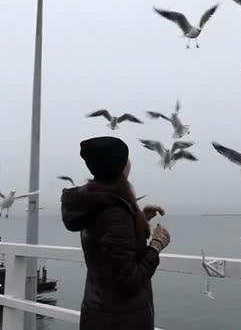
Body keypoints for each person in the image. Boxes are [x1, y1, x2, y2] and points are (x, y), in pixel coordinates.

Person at [61, 136, 171, 330]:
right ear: (118, 165)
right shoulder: (114, 211)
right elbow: (129, 279)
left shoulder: (95, 202)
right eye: (126, 158)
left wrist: (140, 220)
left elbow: (105, 246)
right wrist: (156, 245)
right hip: (120, 319)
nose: (129, 163)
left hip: (98, 311)